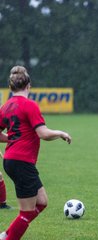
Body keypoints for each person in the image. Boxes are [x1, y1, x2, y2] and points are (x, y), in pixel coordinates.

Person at [0, 66, 71, 240]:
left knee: (42, 202)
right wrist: (60, 133)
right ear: (29, 85)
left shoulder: (6, 106)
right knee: (27, 212)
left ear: (10, 87)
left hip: (12, 160)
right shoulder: (30, 105)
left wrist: (12, 139)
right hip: (21, 162)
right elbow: (43, 134)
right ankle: (9, 237)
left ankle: (7, 234)